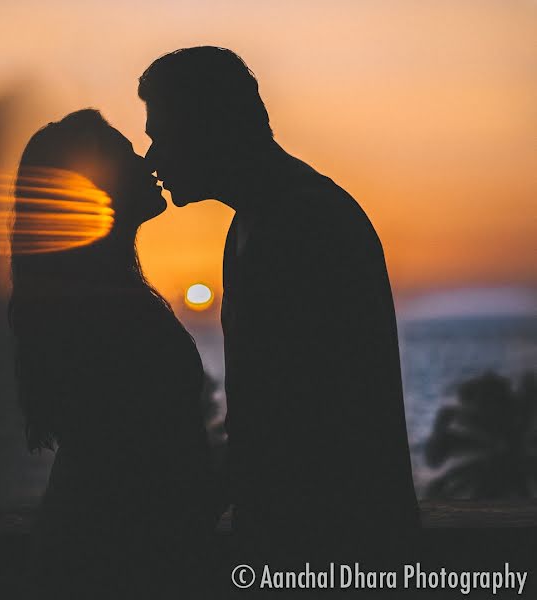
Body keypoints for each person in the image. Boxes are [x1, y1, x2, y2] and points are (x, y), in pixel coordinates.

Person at [138, 47, 420, 564]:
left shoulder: (307, 221)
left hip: (336, 542)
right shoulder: (254, 222)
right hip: (296, 535)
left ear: (207, 125)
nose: (153, 159)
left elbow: (303, 405)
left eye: (161, 135)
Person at [9, 109, 221, 598]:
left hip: (97, 545)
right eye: (126, 156)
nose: (147, 161)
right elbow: (143, 457)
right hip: (118, 558)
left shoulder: (93, 299)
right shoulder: (109, 310)